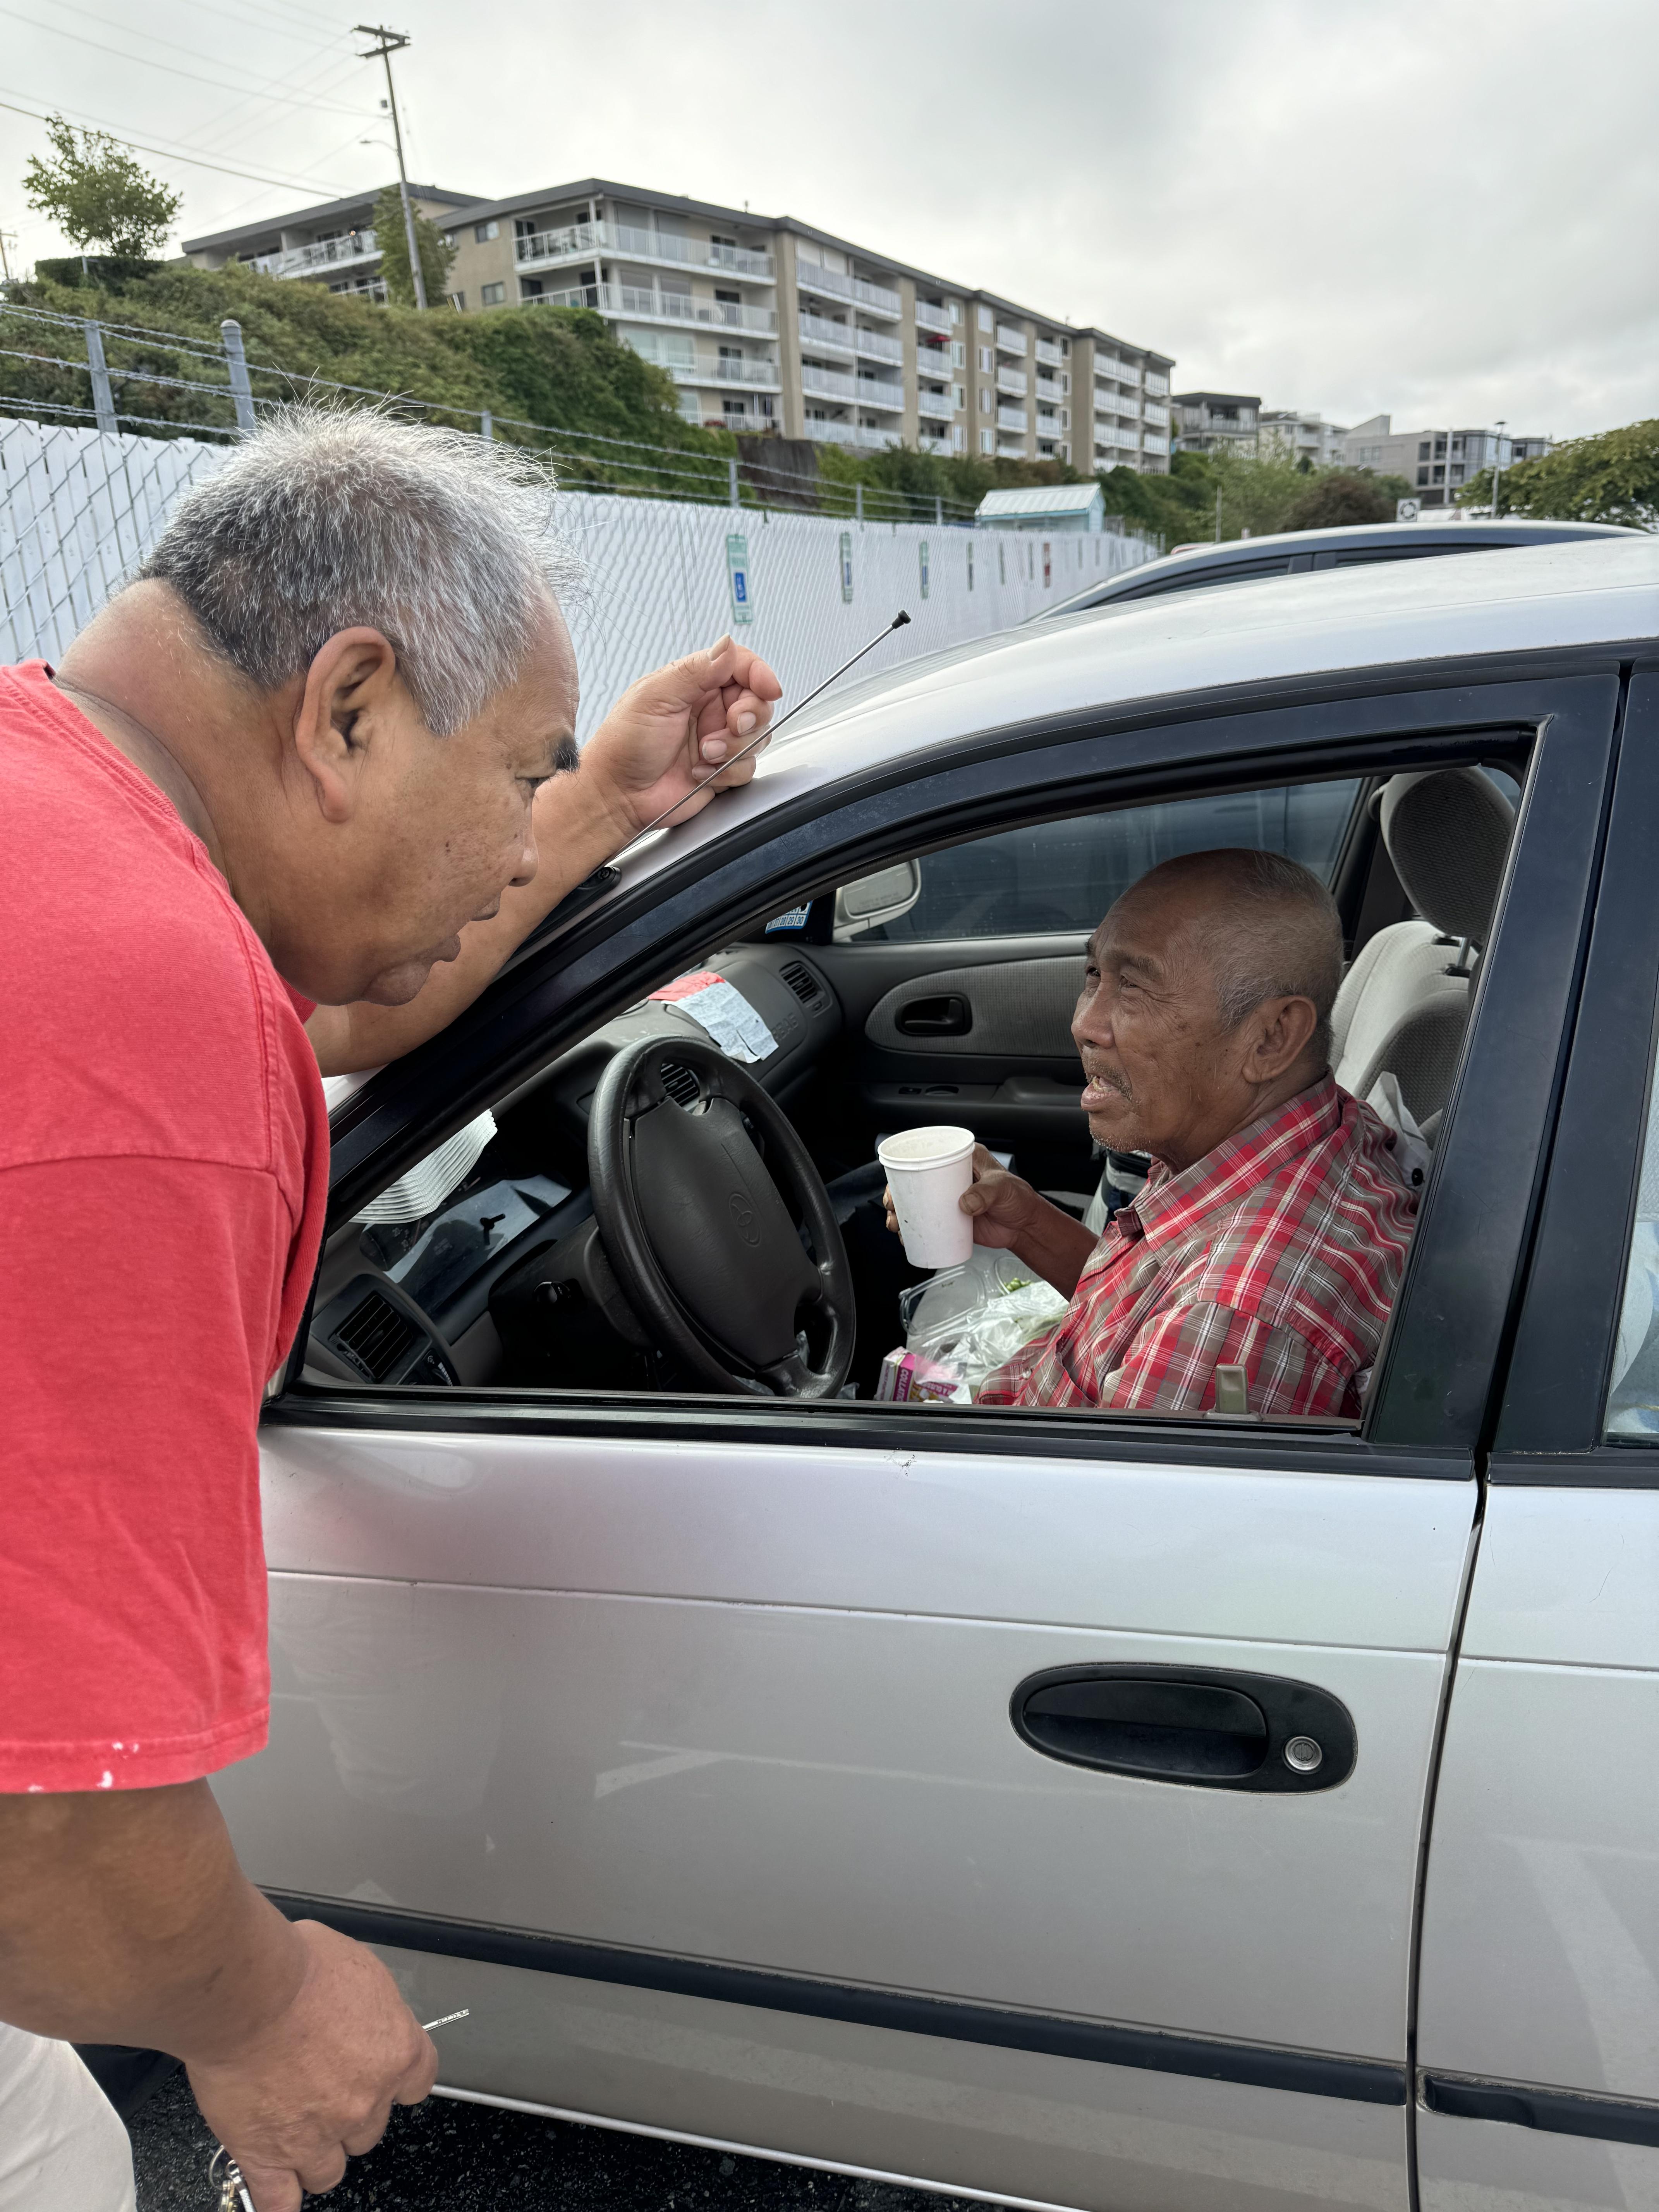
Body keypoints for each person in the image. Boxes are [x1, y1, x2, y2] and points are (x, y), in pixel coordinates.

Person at [0, 409, 780, 2212]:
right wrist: (262, 2010)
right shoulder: (127, 1020)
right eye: (516, 777)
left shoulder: (73, 817)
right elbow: (40, 1796)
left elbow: (332, 1013)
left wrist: (602, 806)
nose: (517, 836)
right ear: (351, 709)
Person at [887, 848, 1419, 1415]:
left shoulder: (1233, 1316)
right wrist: (1029, 1225)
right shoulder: (1283, 1134)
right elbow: (1140, 1313)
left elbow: (1075, 1501)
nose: (1084, 1024)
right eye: (1095, 975)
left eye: (1135, 988)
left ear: (1271, 1039)